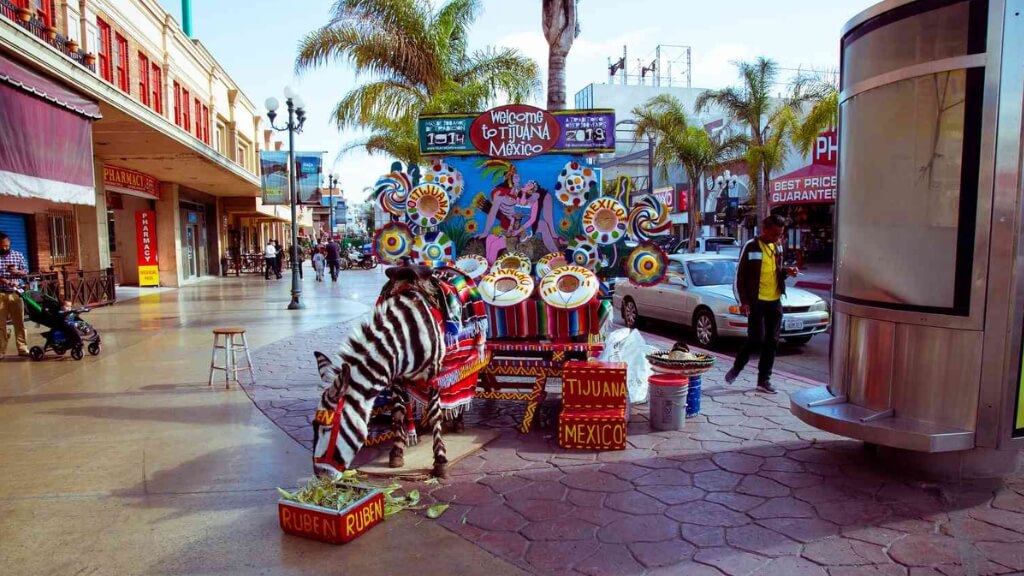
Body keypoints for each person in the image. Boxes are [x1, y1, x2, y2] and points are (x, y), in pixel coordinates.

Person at [724, 215, 798, 394]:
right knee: (756, 340)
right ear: (764, 230)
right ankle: (737, 366)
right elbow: (739, 277)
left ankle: (764, 380)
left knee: (772, 341)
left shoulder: (777, 247)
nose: (777, 238)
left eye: (780, 235)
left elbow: (776, 271)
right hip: (756, 302)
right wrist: (743, 302)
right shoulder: (751, 246)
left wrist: (786, 272)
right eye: (774, 234)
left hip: (774, 300)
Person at [0, 232, 30, 359]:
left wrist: (17, 271)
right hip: (1, 293)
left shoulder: (18, 255)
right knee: (0, 324)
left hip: (16, 293)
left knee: (19, 323)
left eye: (7, 246)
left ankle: (22, 348)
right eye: (2, 246)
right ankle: (1, 351)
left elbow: (26, 272)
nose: (5, 248)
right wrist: (3, 280)